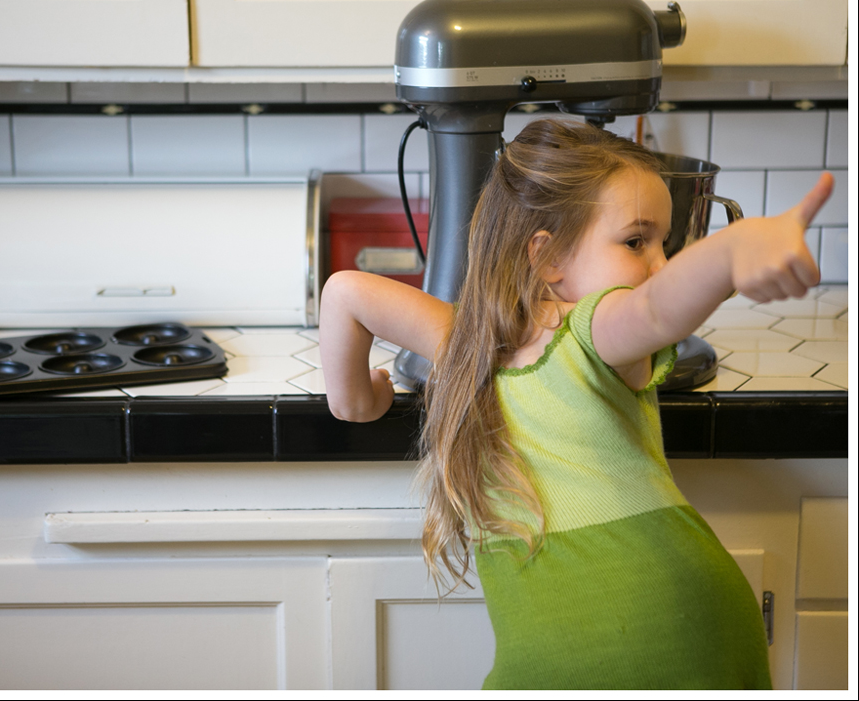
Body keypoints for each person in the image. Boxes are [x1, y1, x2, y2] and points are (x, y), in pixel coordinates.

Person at [319, 119, 833, 689]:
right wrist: (734, 248)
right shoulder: (473, 340)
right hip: (678, 632)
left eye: (666, 242)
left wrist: (357, 401)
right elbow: (347, 291)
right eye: (637, 241)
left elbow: (345, 293)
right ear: (549, 256)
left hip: (665, 641)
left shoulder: (589, 328)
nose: (660, 263)